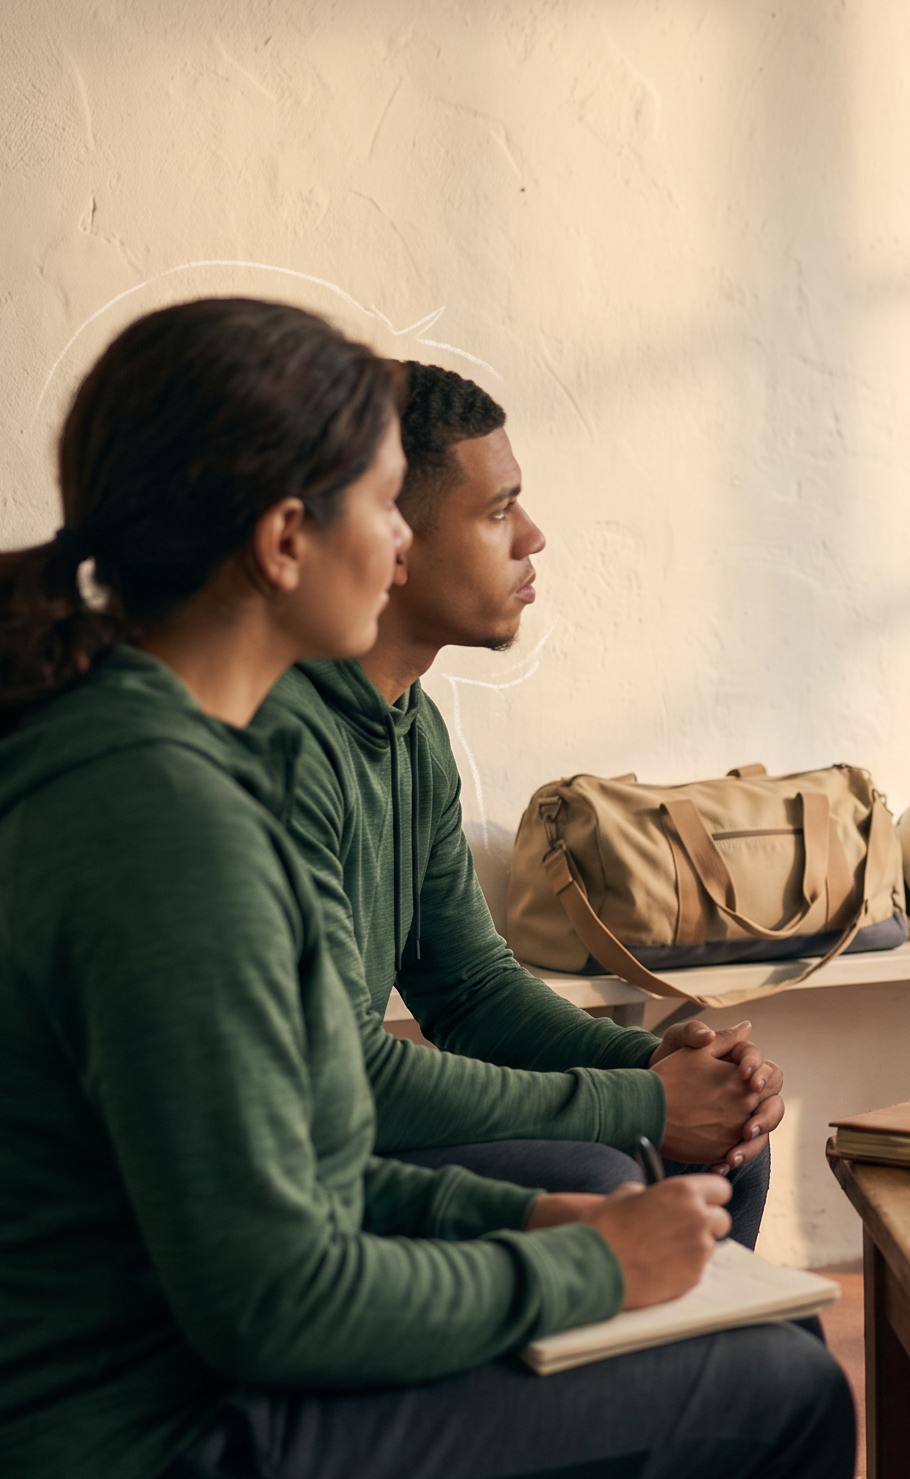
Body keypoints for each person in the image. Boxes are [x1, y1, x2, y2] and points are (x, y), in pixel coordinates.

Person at [0, 300, 852, 1479]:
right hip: (107, 1474)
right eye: (385, 505)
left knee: (733, 1342)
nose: (395, 544)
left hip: (157, 1393)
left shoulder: (140, 752)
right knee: (787, 1404)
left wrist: (528, 1214)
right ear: (283, 541)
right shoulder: (169, 819)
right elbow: (278, 1296)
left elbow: (304, 1165)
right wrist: (588, 1263)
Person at [250, 363, 782, 1246]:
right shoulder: (280, 738)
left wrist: (656, 1062)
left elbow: (470, 990)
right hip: (295, 1171)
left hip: (342, 1119)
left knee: (721, 1147)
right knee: (603, 1175)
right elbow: (340, 1080)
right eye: (498, 510)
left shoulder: (410, 728)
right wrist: (643, 1099)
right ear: (391, 535)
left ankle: (696, 1360)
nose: (533, 535)